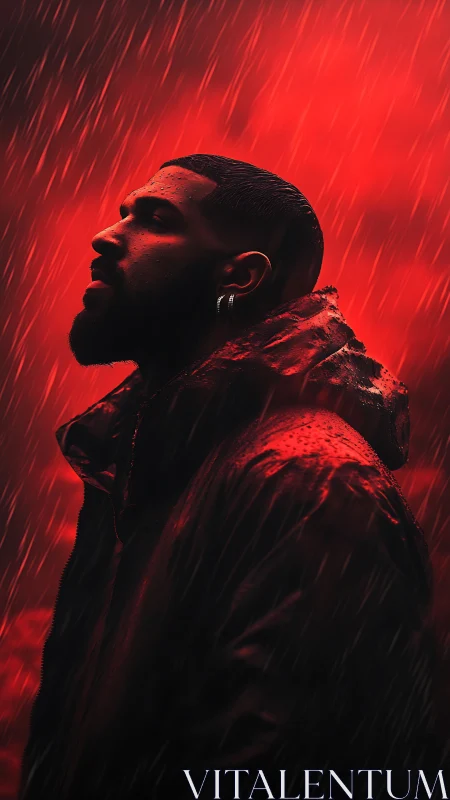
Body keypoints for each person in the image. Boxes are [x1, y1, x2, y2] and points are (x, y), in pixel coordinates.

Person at [19, 155, 442, 800]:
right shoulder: (155, 462)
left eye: (156, 220)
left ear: (240, 277)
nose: (109, 235)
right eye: (123, 212)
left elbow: (300, 774)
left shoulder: (310, 482)